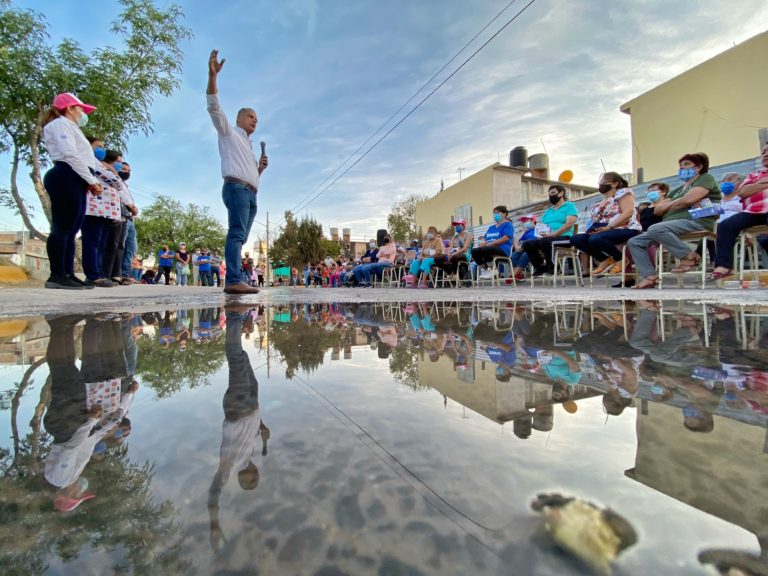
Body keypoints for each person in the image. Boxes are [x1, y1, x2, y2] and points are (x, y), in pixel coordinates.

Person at [207, 49, 267, 294]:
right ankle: (232, 280)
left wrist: (259, 170)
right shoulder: (229, 132)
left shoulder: (249, 147)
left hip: (251, 193)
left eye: (256, 118)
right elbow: (213, 107)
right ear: (239, 119)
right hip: (237, 188)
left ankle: (236, 277)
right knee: (236, 234)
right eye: (250, 116)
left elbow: (249, 172)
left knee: (240, 237)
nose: (254, 120)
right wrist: (213, 77)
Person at [627, 152, 722, 289]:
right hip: (671, 225)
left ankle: (688, 256)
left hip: (696, 221)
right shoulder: (677, 191)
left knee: (656, 228)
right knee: (635, 241)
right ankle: (649, 276)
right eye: (680, 165)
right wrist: (680, 201)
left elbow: (688, 200)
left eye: (687, 164)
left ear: (699, 167)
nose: (682, 168)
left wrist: (676, 204)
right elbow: (658, 210)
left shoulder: (705, 178)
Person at [41, 93, 102, 290]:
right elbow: (70, 154)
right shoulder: (59, 124)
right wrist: (91, 180)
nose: (83, 112)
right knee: (63, 227)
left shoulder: (71, 127)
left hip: (76, 177)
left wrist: (89, 180)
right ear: (69, 108)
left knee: (72, 229)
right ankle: (57, 274)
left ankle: (68, 273)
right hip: (66, 174)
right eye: (80, 108)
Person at [708, 144, 768, 280]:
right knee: (724, 225)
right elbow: (744, 192)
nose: (765, 154)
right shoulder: (753, 175)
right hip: (755, 211)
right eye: (763, 152)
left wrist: (757, 186)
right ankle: (723, 266)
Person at [569, 172, 641, 275]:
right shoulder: (599, 203)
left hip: (625, 228)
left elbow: (628, 212)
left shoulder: (623, 193)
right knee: (576, 239)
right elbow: (595, 220)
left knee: (596, 239)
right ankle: (604, 259)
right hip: (604, 230)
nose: (601, 184)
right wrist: (593, 229)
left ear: (615, 184)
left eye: (604, 181)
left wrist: (610, 227)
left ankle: (620, 259)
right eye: (600, 181)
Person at [82, 139, 123, 288]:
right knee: (92, 242)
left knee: (101, 244)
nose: (102, 150)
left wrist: (113, 174)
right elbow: (115, 182)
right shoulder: (90, 161)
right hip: (94, 208)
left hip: (106, 211)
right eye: (98, 146)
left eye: (103, 147)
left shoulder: (100, 164)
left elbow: (118, 184)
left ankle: (99, 273)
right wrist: (113, 174)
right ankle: (93, 275)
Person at [522, 185, 579, 276]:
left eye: (553, 193)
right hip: (548, 238)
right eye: (549, 194)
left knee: (546, 241)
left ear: (561, 193)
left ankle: (553, 266)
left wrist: (553, 234)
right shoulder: (548, 211)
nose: (550, 196)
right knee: (527, 244)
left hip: (565, 237)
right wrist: (540, 235)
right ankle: (540, 266)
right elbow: (542, 226)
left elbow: (569, 224)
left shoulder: (569, 206)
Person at [471, 205, 515, 279]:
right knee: (474, 251)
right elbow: (485, 238)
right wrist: (482, 242)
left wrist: (489, 244)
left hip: (502, 249)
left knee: (486, 249)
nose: (495, 215)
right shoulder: (491, 227)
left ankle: (493, 269)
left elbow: (505, 238)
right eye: (494, 213)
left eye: (498, 212)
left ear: (504, 214)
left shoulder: (508, 225)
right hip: (490, 248)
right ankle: (486, 269)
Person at [117, 161, 140, 284]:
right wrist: (131, 207)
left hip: (130, 219)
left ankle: (125, 274)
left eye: (129, 170)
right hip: (122, 217)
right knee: (121, 246)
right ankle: (118, 274)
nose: (127, 172)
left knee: (131, 248)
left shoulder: (126, 186)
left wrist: (133, 209)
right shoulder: (115, 182)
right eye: (125, 169)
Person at [511, 214, 538, 280]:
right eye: (524, 221)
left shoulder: (538, 229)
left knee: (525, 255)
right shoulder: (525, 232)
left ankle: (513, 275)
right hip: (521, 249)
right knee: (514, 256)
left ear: (533, 221)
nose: (525, 222)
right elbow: (518, 241)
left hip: (532, 249)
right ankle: (518, 275)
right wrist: (517, 247)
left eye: (527, 220)